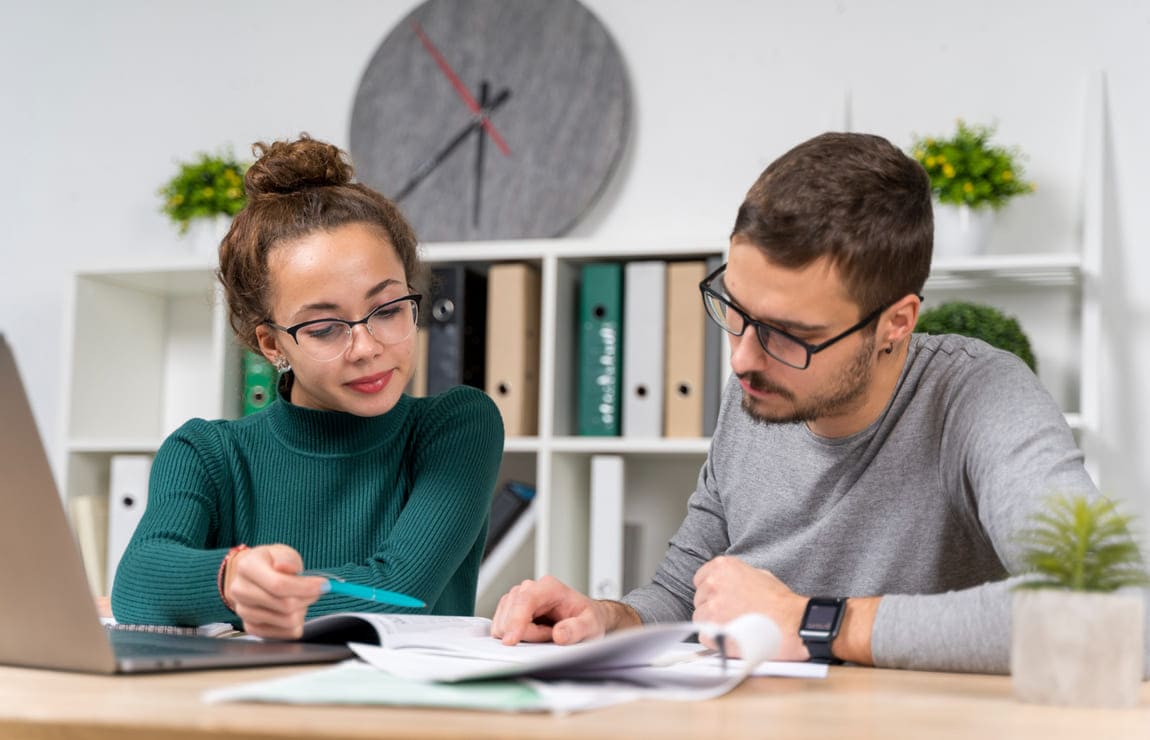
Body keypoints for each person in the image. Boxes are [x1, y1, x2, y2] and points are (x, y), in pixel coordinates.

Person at [491, 131, 1124, 674]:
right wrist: (606, 618)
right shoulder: (763, 385)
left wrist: (813, 621)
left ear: (896, 323)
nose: (742, 358)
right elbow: (683, 593)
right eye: (736, 311)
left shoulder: (980, 397)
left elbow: (1111, 609)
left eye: (790, 333)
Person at [111, 135, 504, 639]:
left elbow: (401, 592)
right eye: (323, 328)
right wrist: (230, 578)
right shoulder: (206, 453)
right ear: (272, 344)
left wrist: (221, 598)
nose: (366, 347)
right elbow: (137, 583)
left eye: (387, 310)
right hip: (250, 692)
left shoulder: (456, 427)